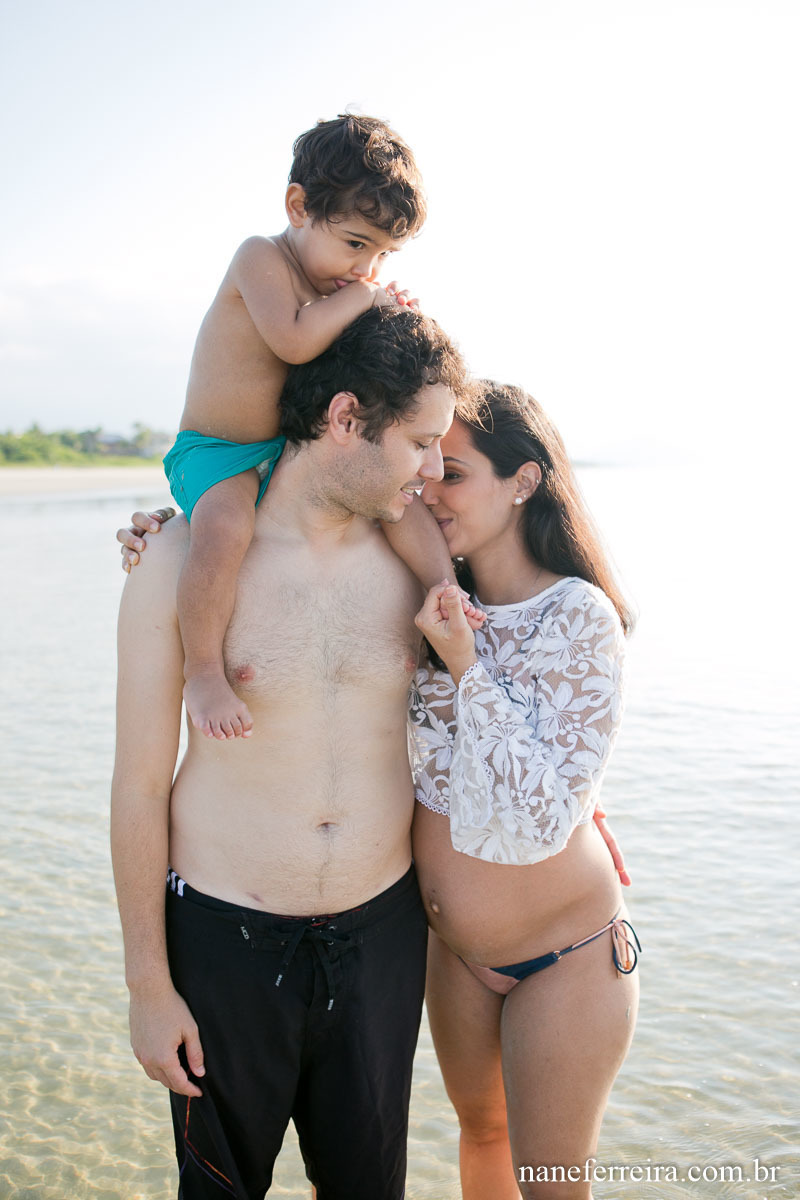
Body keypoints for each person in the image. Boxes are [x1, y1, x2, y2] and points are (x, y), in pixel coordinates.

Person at [111, 306, 478, 1200]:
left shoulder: (419, 567)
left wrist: (587, 807)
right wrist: (150, 990)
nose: (434, 471)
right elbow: (135, 786)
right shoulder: (181, 563)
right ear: (347, 418)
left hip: (382, 938)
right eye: (420, 443)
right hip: (223, 941)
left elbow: (518, 695)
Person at [409, 382, 639, 1199]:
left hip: (564, 958)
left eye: (456, 473)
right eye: (427, 467)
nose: (431, 489)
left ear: (524, 481)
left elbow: (542, 814)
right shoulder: (426, 597)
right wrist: (171, 535)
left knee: (550, 1186)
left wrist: (467, 662)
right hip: (455, 952)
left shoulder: (579, 616)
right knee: (482, 1138)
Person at [161, 113, 456, 741]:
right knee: (225, 529)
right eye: (355, 244)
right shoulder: (260, 257)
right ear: (298, 206)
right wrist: (364, 299)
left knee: (392, 500)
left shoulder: (338, 288)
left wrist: (386, 318)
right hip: (219, 453)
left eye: (382, 255)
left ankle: (448, 590)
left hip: (284, 451)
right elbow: (293, 342)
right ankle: (205, 671)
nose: (365, 268)